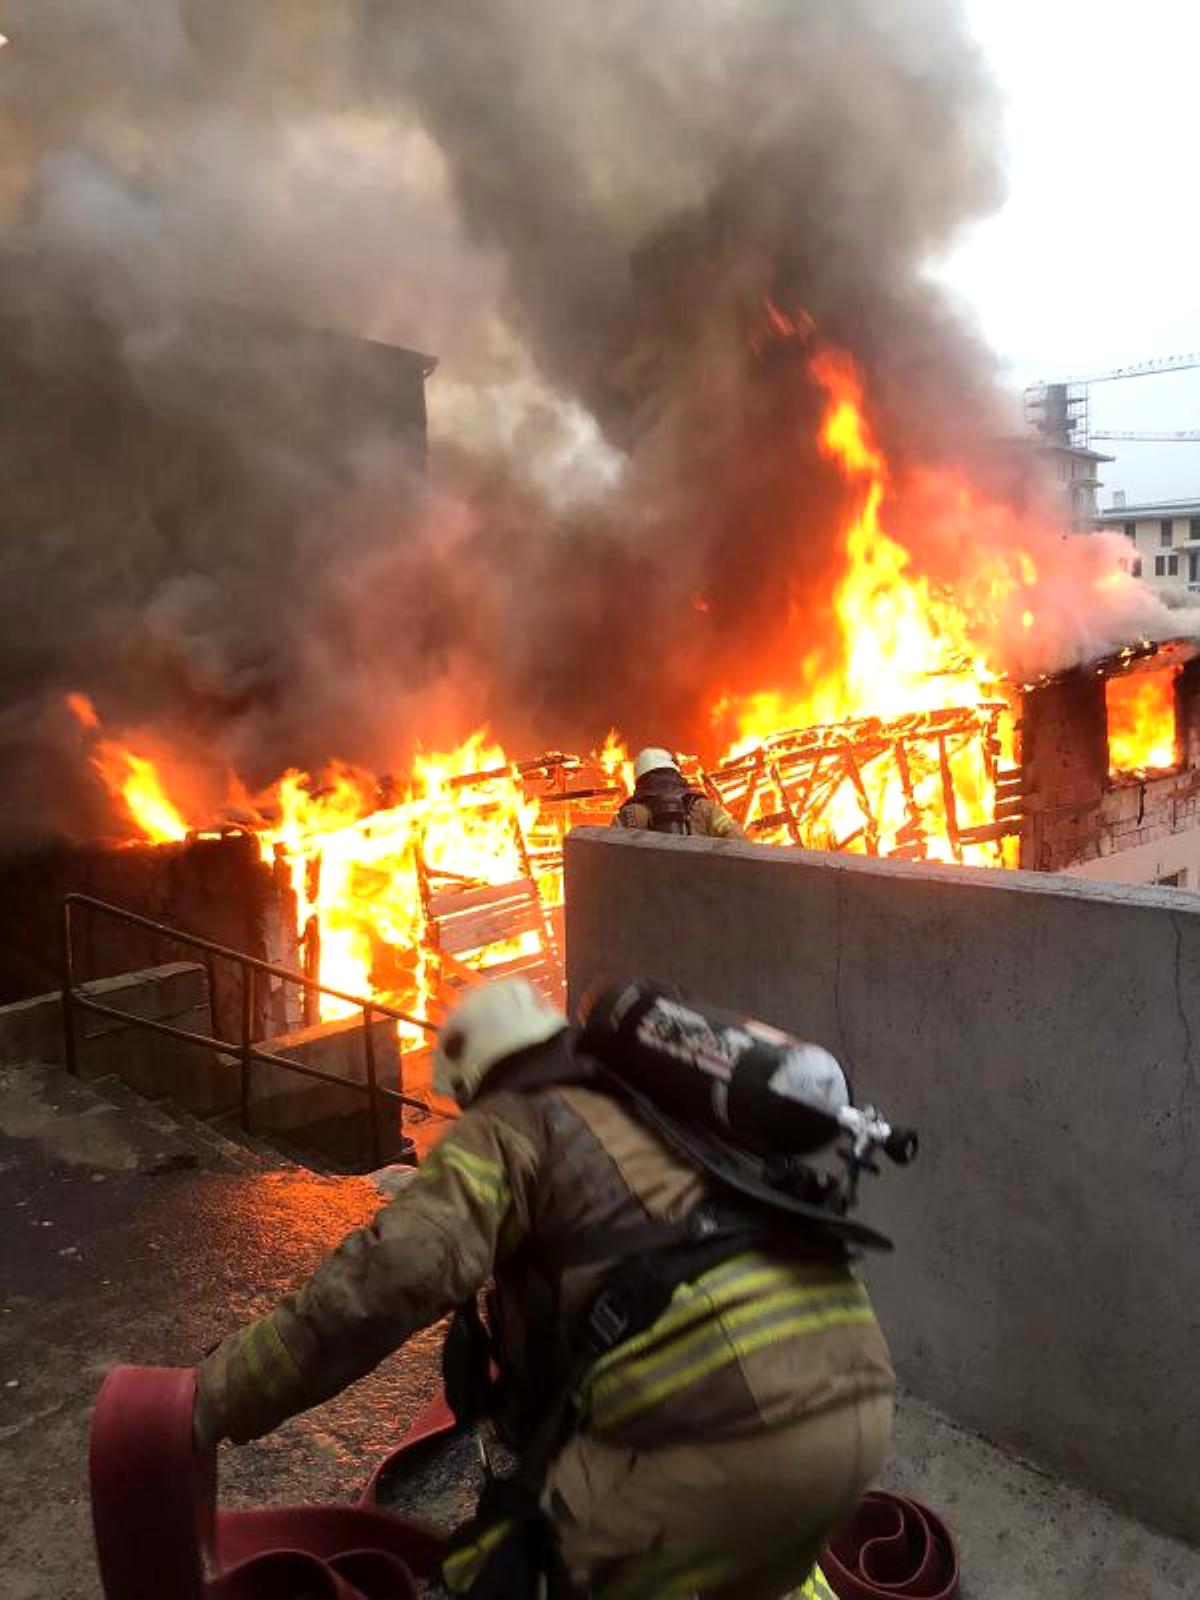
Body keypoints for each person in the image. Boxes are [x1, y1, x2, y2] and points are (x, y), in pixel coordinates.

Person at [192, 978, 895, 1599]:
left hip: (722, 1434)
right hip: (853, 1399)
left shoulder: (509, 1125)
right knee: (752, 1557)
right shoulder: (654, 1103)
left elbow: (389, 1275)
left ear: (474, 1080)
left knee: (508, 1570)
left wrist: (216, 1396)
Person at [613, 747, 746, 839]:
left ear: (639, 778)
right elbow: (737, 839)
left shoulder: (629, 813)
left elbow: (609, 856)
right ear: (674, 771)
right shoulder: (703, 807)